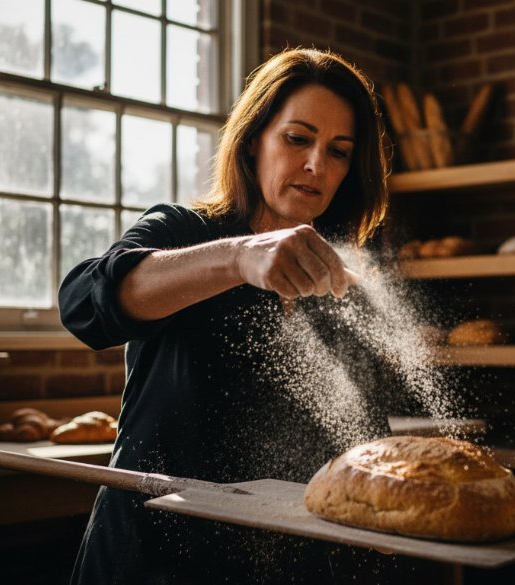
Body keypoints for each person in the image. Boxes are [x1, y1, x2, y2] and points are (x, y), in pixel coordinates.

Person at [59, 48, 399, 584]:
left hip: (280, 565)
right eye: (297, 138)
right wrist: (239, 257)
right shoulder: (183, 231)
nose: (316, 164)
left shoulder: (340, 281)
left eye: (339, 151)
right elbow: (83, 307)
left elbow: (359, 438)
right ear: (252, 139)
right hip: (149, 560)